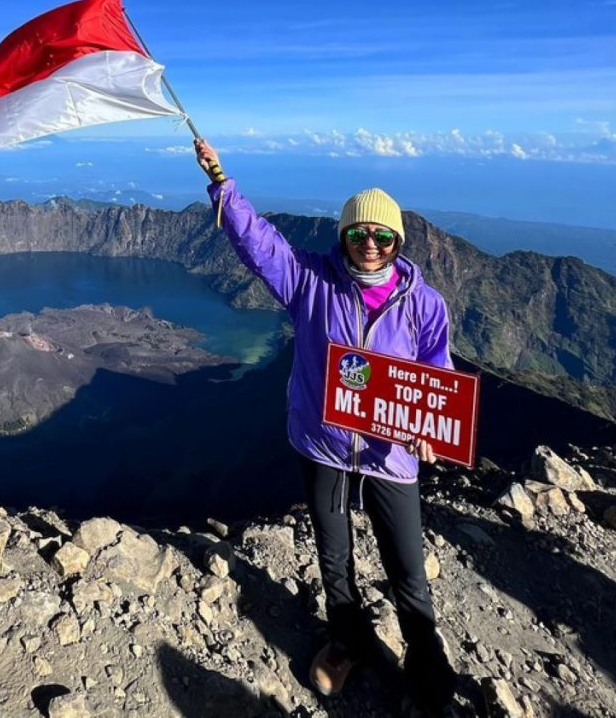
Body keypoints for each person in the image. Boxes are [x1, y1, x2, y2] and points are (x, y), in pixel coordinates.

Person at [194, 138, 457, 714]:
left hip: (391, 454)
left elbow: (436, 376)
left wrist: (430, 429)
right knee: (334, 557)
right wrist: (222, 184)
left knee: (406, 565)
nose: (370, 244)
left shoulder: (424, 304)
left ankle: (426, 657)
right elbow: (259, 245)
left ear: (398, 241)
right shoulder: (311, 282)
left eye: (383, 236)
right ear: (343, 235)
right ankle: (345, 641)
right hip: (324, 444)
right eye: (359, 233)